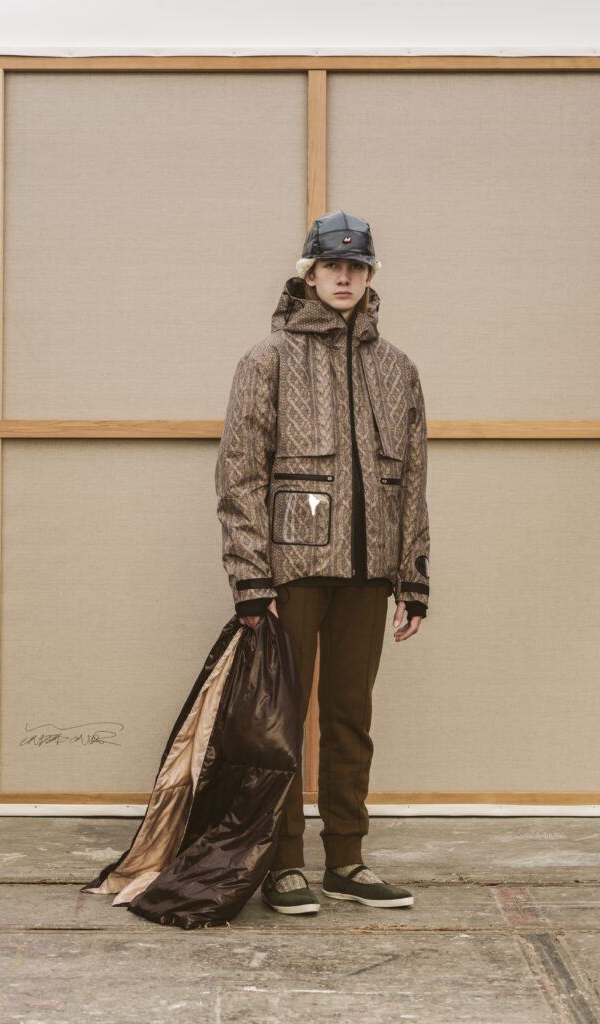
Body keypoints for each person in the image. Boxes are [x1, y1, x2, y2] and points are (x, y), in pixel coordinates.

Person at [215, 210, 430, 915]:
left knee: (350, 717)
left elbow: (413, 480)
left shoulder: (397, 368)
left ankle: (346, 860)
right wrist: (250, 578)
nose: (344, 276)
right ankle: (282, 865)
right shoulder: (267, 360)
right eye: (331, 266)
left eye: (356, 266)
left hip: (369, 574)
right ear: (308, 275)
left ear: (369, 276)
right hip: (291, 573)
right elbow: (240, 472)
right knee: (280, 721)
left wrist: (413, 576)